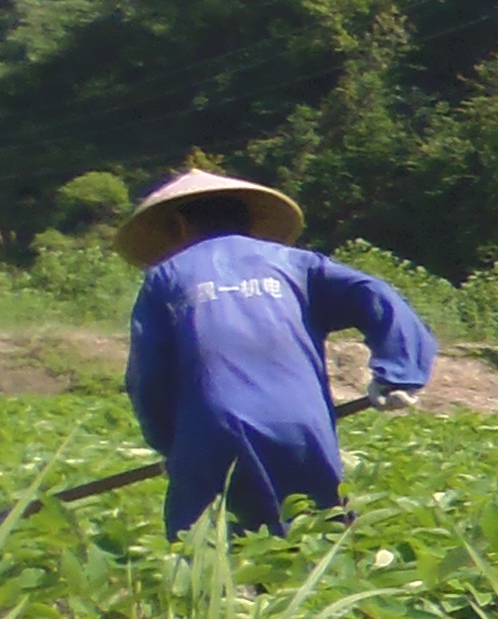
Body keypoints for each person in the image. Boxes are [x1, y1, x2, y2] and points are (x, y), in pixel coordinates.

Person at [117, 169, 436, 536]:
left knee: (205, 549)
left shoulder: (166, 277)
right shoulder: (298, 265)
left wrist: (170, 444)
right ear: (251, 220)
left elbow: (149, 375)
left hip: (211, 429)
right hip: (301, 424)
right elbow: (375, 295)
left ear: (180, 225)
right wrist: (399, 373)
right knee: (314, 535)